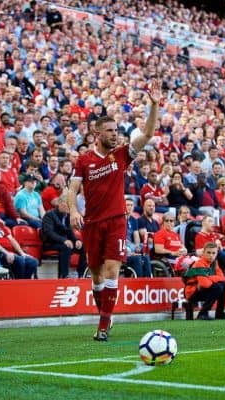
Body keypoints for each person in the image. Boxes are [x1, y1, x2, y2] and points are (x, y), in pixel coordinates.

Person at [68, 79, 160, 341]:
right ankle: (105, 316)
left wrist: (154, 105)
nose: (114, 134)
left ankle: (103, 326)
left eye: (116, 130)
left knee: (111, 270)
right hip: (92, 223)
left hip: (117, 220)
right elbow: (72, 190)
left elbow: (148, 134)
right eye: (109, 131)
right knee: (96, 276)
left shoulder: (122, 155)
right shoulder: (84, 161)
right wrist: (74, 211)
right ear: (97, 134)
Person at [183, 242, 225, 321]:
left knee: (224, 284)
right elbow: (205, 284)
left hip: (201, 289)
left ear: (216, 254)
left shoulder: (214, 262)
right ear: (203, 253)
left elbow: (222, 278)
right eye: (208, 252)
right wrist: (213, 279)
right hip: (192, 292)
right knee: (218, 287)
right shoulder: (200, 263)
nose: (211, 255)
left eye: (213, 253)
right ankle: (202, 314)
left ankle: (219, 313)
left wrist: (208, 277)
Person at [41, 195, 87, 278]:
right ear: (60, 204)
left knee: (83, 247)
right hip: (50, 243)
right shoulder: (49, 215)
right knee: (66, 247)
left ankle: (81, 274)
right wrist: (63, 240)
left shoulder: (67, 216)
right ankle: (63, 276)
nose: (70, 207)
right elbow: (49, 233)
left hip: (62, 242)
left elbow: (69, 231)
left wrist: (76, 240)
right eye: (68, 204)